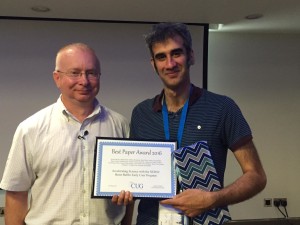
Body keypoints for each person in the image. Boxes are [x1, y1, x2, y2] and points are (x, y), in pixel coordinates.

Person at [129, 22, 267, 225]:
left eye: (176, 53)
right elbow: (133, 175)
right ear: (153, 64)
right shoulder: (141, 113)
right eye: (161, 57)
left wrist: (213, 199)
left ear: (191, 56)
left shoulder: (222, 108)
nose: (170, 64)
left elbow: (256, 176)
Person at [0, 43, 133, 225]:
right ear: (57, 78)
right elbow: (16, 193)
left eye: (91, 73)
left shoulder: (121, 125)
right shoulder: (30, 129)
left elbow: (130, 192)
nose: (84, 81)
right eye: (75, 73)